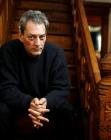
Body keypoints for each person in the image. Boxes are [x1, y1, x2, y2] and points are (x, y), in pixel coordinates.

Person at [0, 10, 76, 140]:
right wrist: (29, 102)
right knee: (1, 110)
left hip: (46, 104)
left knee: (67, 110)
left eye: (42, 37)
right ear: (21, 35)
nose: (38, 43)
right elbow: (6, 88)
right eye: (31, 37)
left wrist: (45, 103)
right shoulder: (7, 51)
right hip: (18, 103)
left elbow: (62, 88)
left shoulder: (56, 53)